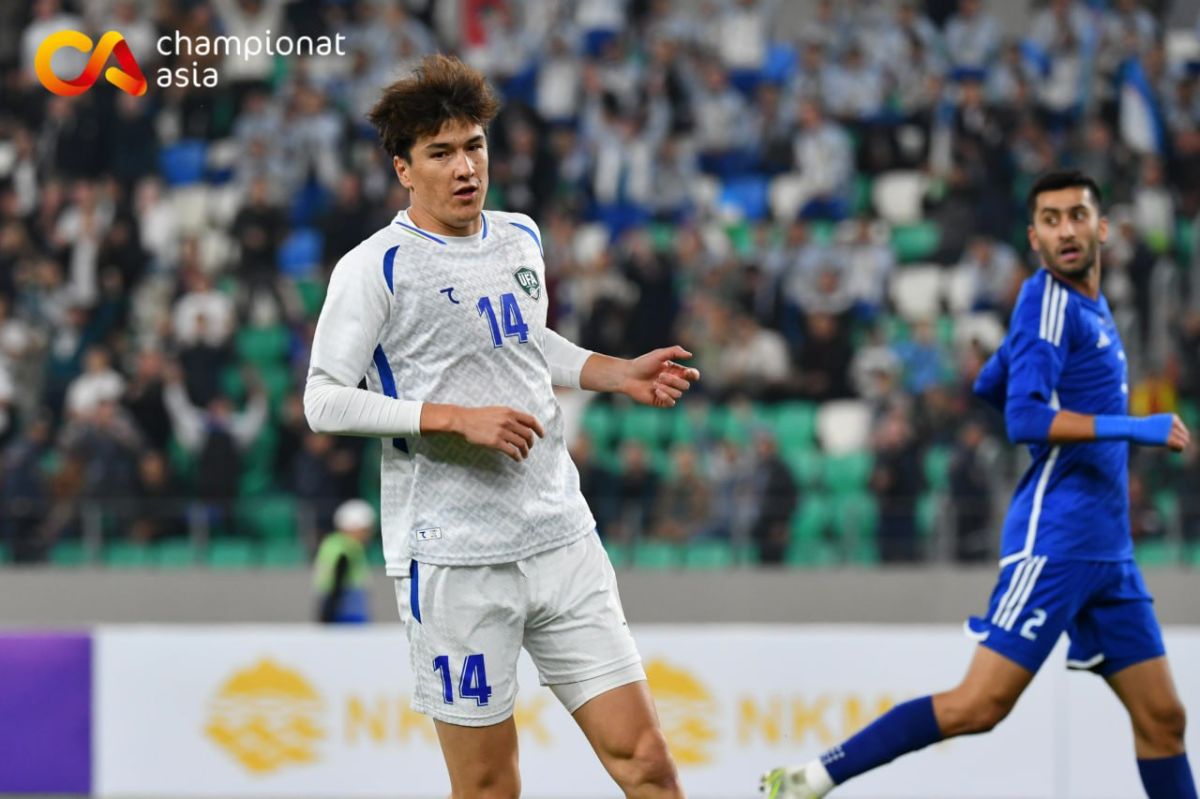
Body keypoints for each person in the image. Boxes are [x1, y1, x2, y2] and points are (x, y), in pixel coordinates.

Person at [303, 55, 697, 798]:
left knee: (647, 761)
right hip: (455, 560)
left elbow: (522, 342)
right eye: (440, 153)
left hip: (560, 537)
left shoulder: (520, 236)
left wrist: (612, 371)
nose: (464, 168)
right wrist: (452, 419)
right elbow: (323, 399)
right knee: (490, 787)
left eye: (474, 146)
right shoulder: (375, 267)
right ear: (403, 169)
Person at [762, 170, 1195, 799]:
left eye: (1077, 215)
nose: (1065, 230)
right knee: (979, 704)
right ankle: (811, 778)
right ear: (1033, 237)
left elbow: (991, 384)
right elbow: (1024, 418)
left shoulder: (1085, 307)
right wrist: (1135, 427)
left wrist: (1024, 368)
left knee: (1163, 719)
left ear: (1101, 228)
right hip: (1057, 540)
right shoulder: (1048, 300)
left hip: (1108, 548)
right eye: (1050, 220)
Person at [314, 499, 377, 624]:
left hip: (339, 606)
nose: (368, 534)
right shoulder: (346, 547)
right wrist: (329, 610)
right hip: (346, 610)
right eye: (365, 529)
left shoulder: (333, 543)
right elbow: (338, 579)